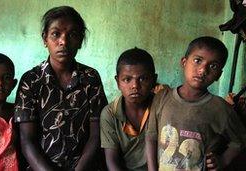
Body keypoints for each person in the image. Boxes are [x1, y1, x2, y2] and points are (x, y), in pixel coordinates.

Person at [14, 6, 108, 171]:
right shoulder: (31, 80)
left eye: (72, 35)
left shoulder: (90, 78)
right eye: (55, 34)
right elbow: (26, 140)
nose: (63, 41)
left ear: (80, 40)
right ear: (45, 39)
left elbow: (96, 135)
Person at [145, 36, 246, 171]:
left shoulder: (220, 108)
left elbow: (240, 140)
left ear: (219, 75)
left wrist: (222, 161)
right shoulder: (162, 98)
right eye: (198, 60)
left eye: (213, 66)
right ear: (184, 62)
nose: (203, 70)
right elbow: (151, 136)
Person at [100, 47, 167, 171]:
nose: (135, 86)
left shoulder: (162, 107)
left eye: (143, 79)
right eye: (127, 79)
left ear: (153, 80)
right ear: (118, 82)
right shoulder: (110, 114)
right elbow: (112, 161)